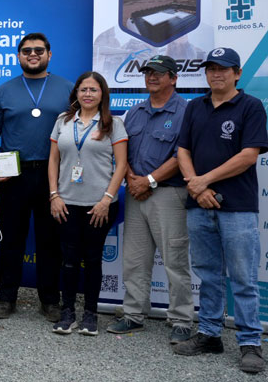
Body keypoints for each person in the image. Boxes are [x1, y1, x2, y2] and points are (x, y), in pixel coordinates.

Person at [173, 48, 267, 374]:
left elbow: (248, 156)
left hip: (237, 207)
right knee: (208, 275)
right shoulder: (195, 107)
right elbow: (182, 150)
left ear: (237, 73)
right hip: (199, 207)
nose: (216, 74)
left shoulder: (251, 106)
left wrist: (203, 182)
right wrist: (196, 186)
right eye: (211, 68)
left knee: (242, 278)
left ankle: (250, 343)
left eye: (224, 69)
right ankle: (210, 334)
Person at [106, 55, 193, 344]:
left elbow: (183, 154)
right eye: (148, 73)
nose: (151, 77)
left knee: (174, 260)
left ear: (173, 77)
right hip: (135, 193)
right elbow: (125, 152)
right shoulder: (135, 111)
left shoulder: (186, 111)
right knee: (134, 259)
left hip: (168, 194)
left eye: (158, 73)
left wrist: (150, 180)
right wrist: (132, 179)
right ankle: (133, 314)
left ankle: (181, 319)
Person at [0, 32, 72, 322]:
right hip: (14, 173)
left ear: (49, 54)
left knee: (50, 240)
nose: (32, 55)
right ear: (19, 56)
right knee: (12, 239)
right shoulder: (4, 91)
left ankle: (50, 300)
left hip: (54, 174)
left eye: (38, 50)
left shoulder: (67, 89)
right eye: (26, 51)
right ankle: (5, 297)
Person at [48, 71, 127, 336]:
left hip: (99, 205)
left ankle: (90, 313)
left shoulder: (113, 124)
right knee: (69, 259)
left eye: (93, 90)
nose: (88, 94)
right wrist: (54, 195)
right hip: (66, 203)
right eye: (83, 90)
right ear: (76, 94)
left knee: (93, 260)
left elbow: (122, 165)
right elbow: (54, 161)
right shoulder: (63, 121)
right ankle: (67, 311)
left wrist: (106, 199)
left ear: (102, 94)